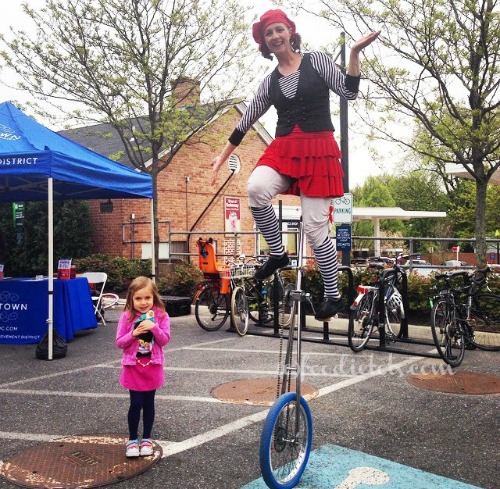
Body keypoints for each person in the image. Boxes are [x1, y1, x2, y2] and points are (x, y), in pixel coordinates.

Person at [211, 9, 380, 320]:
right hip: (285, 148)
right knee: (256, 187)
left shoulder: (317, 61)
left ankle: (333, 294)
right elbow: (246, 121)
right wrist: (222, 157)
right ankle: (278, 253)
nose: (275, 37)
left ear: (290, 32)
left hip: (319, 150)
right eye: (268, 34)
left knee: (316, 232)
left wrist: (354, 53)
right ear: (264, 43)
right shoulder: (268, 83)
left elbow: (348, 91)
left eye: (279, 30)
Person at [115, 276, 171, 458]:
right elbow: (120, 343)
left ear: (154, 297)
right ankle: (132, 439)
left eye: (147, 298)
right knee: (136, 403)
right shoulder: (127, 317)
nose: (143, 302)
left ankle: (146, 438)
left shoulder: (161, 316)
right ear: (131, 298)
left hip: (152, 365)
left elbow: (164, 340)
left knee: (149, 403)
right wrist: (134, 333)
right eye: (138, 298)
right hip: (134, 366)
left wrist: (154, 327)